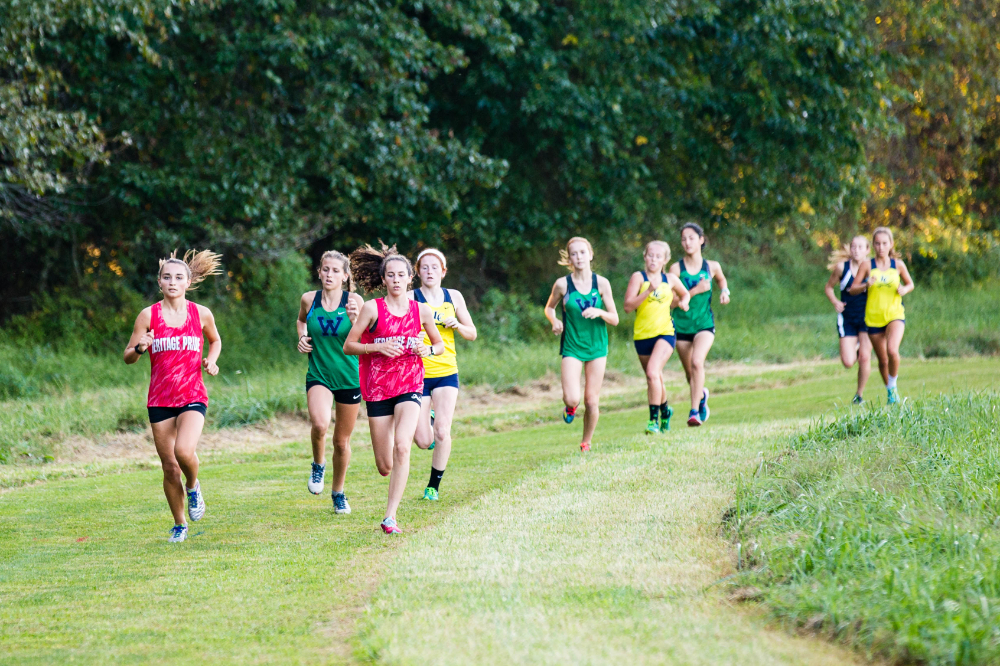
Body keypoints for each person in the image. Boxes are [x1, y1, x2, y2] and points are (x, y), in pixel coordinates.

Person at [343, 244, 444, 534]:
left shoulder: (421, 310)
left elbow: (437, 345)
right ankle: (421, 426)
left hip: (411, 384)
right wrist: (378, 346)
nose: (397, 279)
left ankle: (390, 517)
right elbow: (349, 346)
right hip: (377, 390)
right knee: (385, 465)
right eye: (391, 275)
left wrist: (427, 349)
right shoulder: (372, 308)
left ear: (410, 278)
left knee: (403, 447)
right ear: (384, 279)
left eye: (402, 275)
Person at [123, 250, 222, 543]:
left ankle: (193, 487)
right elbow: (128, 356)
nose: (172, 282)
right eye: (167, 277)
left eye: (179, 277)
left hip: (193, 395)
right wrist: (141, 347)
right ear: (159, 282)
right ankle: (179, 525)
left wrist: (212, 360)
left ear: (188, 282)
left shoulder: (201, 313)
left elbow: (215, 340)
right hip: (160, 400)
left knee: (183, 452)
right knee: (169, 467)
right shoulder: (148, 316)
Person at [296, 251, 365, 514]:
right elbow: (301, 321)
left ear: (345, 276)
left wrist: (356, 319)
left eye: (336, 271)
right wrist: (301, 337)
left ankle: (338, 493)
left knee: (341, 441)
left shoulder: (355, 301)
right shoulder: (308, 300)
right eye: (325, 269)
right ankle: (317, 464)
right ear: (319, 271)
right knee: (320, 423)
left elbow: (366, 335)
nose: (329, 275)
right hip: (319, 374)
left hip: (349, 377)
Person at [409, 249, 477, 501]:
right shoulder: (410, 297)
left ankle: (433, 487)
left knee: (442, 432)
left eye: (434, 267)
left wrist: (457, 325)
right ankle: (431, 418)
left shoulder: (454, 297)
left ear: (443, 271)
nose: (429, 272)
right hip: (418, 373)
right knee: (423, 440)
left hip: (447, 371)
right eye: (424, 267)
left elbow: (472, 333)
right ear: (417, 272)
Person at [544, 237, 620, 451]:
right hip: (572, 346)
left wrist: (600, 312)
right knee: (571, 397)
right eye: (574, 254)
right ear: (569, 258)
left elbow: (615, 318)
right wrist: (555, 320)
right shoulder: (562, 284)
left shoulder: (602, 283)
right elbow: (549, 308)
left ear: (591, 255)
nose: (579, 257)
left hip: (597, 348)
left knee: (592, 400)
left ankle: (586, 442)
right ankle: (570, 407)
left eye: (582, 252)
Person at [623, 240, 690, 434]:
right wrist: (648, 291)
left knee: (653, 373)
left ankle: (653, 421)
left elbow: (685, 294)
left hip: (666, 333)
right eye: (650, 255)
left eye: (658, 256)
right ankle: (665, 411)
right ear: (645, 256)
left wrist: (684, 302)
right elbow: (628, 307)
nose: (653, 259)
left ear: (665, 260)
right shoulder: (638, 277)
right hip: (643, 335)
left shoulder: (670, 279)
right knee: (654, 378)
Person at [669, 223, 730, 427]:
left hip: (704, 324)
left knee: (697, 363)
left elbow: (721, 281)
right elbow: (671, 302)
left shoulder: (712, 266)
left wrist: (724, 292)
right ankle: (702, 395)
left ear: (701, 240)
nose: (687, 242)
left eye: (692, 238)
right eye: (684, 239)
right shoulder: (676, 269)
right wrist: (694, 290)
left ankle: (694, 412)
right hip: (682, 326)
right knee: (690, 374)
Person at [849, 227, 913, 404]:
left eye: (884, 243)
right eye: (877, 243)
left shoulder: (898, 264)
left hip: (894, 314)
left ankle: (893, 386)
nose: (881, 247)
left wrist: (904, 289)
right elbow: (853, 289)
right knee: (883, 361)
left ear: (891, 244)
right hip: (874, 318)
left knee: (892, 350)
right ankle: (891, 393)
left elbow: (910, 284)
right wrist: (865, 285)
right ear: (873, 245)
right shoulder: (867, 265)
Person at [824, 236, 872, 405]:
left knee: (865, 358)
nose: (856, 250)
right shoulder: (841, 268)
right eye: (853, 247)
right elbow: (828, 287)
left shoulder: (873, 269)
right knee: (848, 362)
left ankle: (859, 395)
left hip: (868, 318)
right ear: (850, 249)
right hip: (847, 319)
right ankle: (856, 347)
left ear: (867, 250)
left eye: (860, 247)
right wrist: (835, 302)